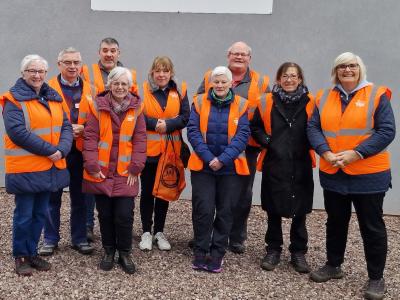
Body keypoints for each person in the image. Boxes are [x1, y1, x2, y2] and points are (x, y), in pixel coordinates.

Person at [307, 52, 395, 300]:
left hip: (368, 173)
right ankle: (333, 265)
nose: (347, 70)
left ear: (360, 69)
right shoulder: (323, 97)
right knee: (335, 221)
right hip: (334, 170)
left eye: (352, 66)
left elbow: (387, 131)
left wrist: (357, 153)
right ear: (336, 70)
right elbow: (312, 127)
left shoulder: (377, 95)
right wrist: (324, 152)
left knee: (372, 226)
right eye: (342, 66)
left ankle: (376, 278)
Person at [0, 54, 73, 275]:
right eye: (32, 71)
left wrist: (62, 149)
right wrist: (52, 151)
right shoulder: (13, 100)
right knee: (24, 215)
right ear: (23, 73)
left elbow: (66, 127)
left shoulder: (54, 98)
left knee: (40, 213)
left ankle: (32, 252)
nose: (37, 75)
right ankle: (21, 255)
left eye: (41, 71)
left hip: (49, 167)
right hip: (26, 168)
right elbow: (18, 133)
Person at [195, 41, 269, 253]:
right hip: (212, 147)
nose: (239, 57)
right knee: (209, 197)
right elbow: (198, 103)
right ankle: (205, 236)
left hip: (247, 147)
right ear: (228, 55)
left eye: (243, 54)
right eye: (235, 53)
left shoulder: (261, 81)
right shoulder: (212, 75)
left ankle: (236, 237)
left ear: (249, 58)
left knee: (241, 194)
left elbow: (269, 111)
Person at [250, 62, 315, 273]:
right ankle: (273, 249)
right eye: (285, 76)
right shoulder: (266, 101)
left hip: (301, 162)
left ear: (300, 79)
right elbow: (255, 126)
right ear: (278, 79)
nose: (289, 80)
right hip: (274, 161)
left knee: (301, 210)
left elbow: (318, 127)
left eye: (293, 76)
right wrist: (266, 140)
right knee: (273, 208)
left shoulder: (311, 102)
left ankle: (298, 252)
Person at [82, 67, 146, 274]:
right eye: (116, 83)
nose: (120, 87)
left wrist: (136, 167)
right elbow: (90, 138)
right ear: (109, 85)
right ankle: (109, 251)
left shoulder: (136, 109)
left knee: (124, 215)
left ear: (130, 87)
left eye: (124, 84)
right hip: (101, 171)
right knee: (105, 214)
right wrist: (91, 166)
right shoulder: (96, 107)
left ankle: (125, 252)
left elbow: (140, 140)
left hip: (126, 173)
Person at [188, 66, 250, 273]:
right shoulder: (198, 102)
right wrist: (209, 158)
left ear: (231, 83)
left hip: (230, 169)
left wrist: (222, 159)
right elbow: (193, 132)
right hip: (203, 168)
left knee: (225, 211)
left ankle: (217, 254)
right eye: (217, 82)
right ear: (211, 84)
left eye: (224, 82)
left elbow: (242, 136)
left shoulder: (242, 105)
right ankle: (200, 250)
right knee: (203, 210)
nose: (220, 85)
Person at [38, 47, 95, 256]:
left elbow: (99, 121)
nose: (72, 67)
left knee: (80, 198)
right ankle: (50, 239)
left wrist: (85, 128)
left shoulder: (92, 89)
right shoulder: (46, 88)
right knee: (52, 197)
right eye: (68, 62)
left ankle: (79, 238)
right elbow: (41, 118)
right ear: (59, 64)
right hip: (57, 151)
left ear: (81, 65)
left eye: (76, 63)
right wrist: (66, 129)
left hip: (81, 152)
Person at [81, 37, 138, 240]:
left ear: (118, 53)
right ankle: (88, 226)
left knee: (122, 202)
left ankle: (121, 232)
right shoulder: (86, 72)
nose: (109, 54)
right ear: (99, 52)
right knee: (93, 187)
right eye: (105, 50)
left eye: (113, 50)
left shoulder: (130, 75)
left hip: (121, 151)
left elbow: (134, 110)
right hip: (95, 136)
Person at [139, 56, 189, 251]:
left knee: (164, 192)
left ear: (171, 73)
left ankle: (159, 232)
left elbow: (186, 117)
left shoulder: (180, 90)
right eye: (158, 71)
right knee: (147, 192)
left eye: (165, 71)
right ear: (152, 72)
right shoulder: (141, 90)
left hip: (170, 152)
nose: (161, 74)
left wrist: (167, 124)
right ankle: (145, 232)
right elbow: (137, 115)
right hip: (149, 152)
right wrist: (155, 124)